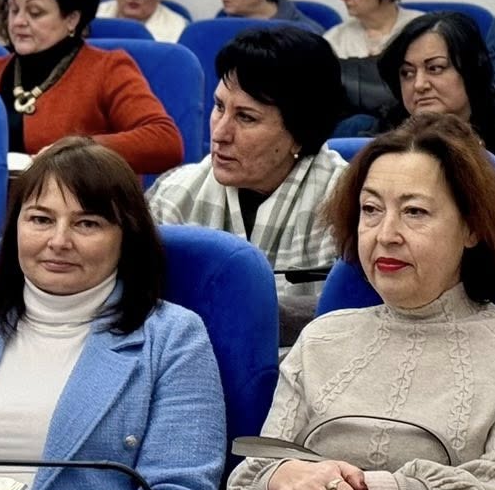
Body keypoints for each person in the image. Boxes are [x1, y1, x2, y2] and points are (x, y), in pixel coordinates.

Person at [223, 115, 495, 490]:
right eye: (370, 210)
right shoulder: (321, 338)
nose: (386, 234)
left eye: (414, 212)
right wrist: (280, 478)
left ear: (472, 227)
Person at [0, 139, 224, 490]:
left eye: (87, 223)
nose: (59, 241)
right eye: (41, 219)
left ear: (127, 236)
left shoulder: (174, 338)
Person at [147, 26, 349, 344]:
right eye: (219, 107)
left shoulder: (348, 202)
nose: (220, 134)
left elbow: (347, 320)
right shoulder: (175, 192)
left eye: (246, 117)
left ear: (301, 132)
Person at [0, 0, 184, 174]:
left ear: (72, 19)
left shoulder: (108, 69)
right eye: (13, 10)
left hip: (79, 194)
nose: (18, 21)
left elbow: (165, 141)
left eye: (35, 12)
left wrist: (80, 152)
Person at [375, 11, 495, 160]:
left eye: (435, 68)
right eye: (407, 73)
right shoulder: (391, 126)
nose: (419, 85)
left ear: (471, 70)